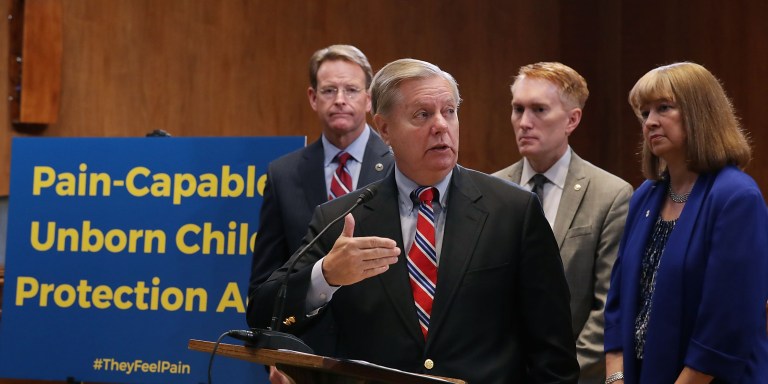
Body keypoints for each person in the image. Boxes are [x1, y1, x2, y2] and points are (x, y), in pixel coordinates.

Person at [248, 58, 579, 383]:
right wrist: (327, 276)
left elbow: (553, 352)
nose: (441, 125)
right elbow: (264, 312)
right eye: (422, 114)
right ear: (385, 128)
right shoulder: (343, 218)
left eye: (449, 112)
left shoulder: (513, 211)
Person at [604, 62, 768, 383]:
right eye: (644, 113)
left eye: (664, 108)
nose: (650, 122)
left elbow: (727, 324)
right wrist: (615, 376)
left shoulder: (735, 198)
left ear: (700, 113)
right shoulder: (645, 197)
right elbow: (619, 304)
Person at [245, 44, 394, 355]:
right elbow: (265, 286)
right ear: (313, 97)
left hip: (382, 356)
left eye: (351, 90)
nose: (340, 100)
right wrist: (274, 354)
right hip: (302, 353)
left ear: (368, 99)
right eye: (329, 90)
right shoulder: (282, 175)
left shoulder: (400, 167)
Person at [493, 62, 632, 383]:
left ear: (572, 119)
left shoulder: (610, 195)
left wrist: (557, 376)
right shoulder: (491, 190)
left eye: (539, 109)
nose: (524, 122)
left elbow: (608, 309)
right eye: (518, 109)